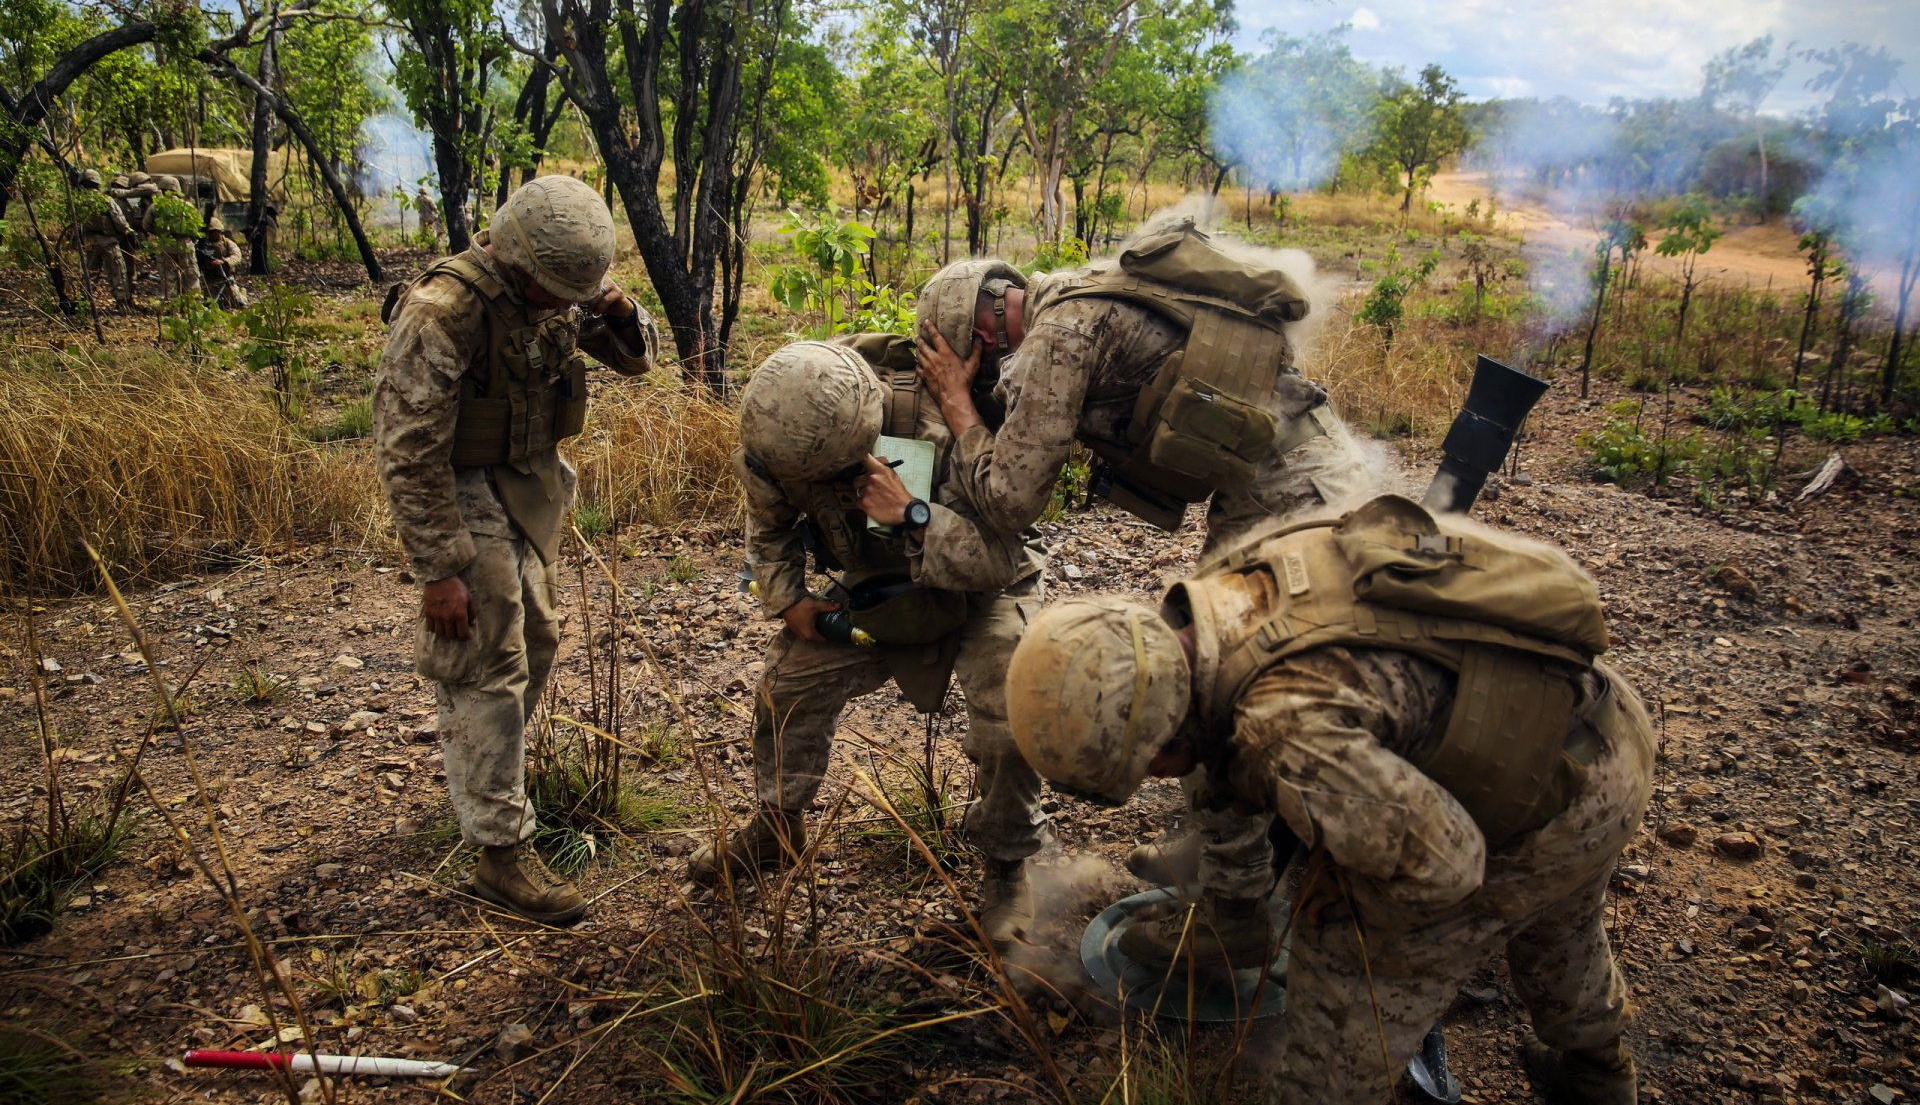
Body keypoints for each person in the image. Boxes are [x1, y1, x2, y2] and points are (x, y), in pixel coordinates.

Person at [1003, 494, 1653, 1105]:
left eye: (1147, 766)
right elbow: (1218, 763)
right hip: (1594, 727)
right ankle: (1597, 1071)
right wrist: (1233, 905)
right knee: (1557, 934)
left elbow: (1447, 867)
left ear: (1162, 733)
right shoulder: (1213, 607)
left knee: (1345, 964)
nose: (1156, 778)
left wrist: (1340, 896)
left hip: (1540, 810)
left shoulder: (1286, 732)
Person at [913, 219, 1376, 969]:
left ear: (980, 334)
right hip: (1306, 475)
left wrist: (960, 406)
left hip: (1290, 499)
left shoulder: (1056, 338)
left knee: (1204, 683)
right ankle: (1219, 854)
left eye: (961, 354)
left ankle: (1235, 910)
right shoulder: (1087, 288)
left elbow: (1008, 501)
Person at [691, 337, 1048, 952]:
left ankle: (1007, 867)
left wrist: (912, 512)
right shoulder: (780, 437)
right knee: (787, 683)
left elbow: (999, 556)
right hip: (881, 587)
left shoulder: (937, 426)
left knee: (1009, 710)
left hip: (981, 591)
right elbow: (769, 526)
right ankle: (779, 824)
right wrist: (788, 598)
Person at [373, 175, 659, 925]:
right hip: (460, 483)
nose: (564, 306)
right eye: (553, 291)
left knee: (537, 637)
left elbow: (635, 362)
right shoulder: (443, 312)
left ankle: (484, 776)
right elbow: (407, 451)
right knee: (490, 652)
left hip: (530, 480)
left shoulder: (560, 282)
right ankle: (500, 851)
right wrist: (439, 569)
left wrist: (617, 309)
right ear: (512, 256)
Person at [74, 169, 135, 312]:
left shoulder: (78, 202)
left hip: (89, 241)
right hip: (109, 241)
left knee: (90, 273)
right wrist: (128, 231)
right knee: (117, 272)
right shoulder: (106, 200)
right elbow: (119, 220)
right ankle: (122, 305)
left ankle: (84, 305)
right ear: (97, 183)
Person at [143, 175, 203, 301]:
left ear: (162, 189)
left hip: (165, 244)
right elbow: (197, 227)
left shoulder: (155, 207)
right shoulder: (188, 206)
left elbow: (146, 226)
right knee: (191, 276)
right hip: (185, 244)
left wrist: (160, 233)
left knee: (168, 277)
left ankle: (171, 307)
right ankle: (194, 305)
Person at [196, 220, 249, 310]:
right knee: (211, 304)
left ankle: (241, 293)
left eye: (215, 232)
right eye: (211, 232)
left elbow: (237, 256)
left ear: (221, 232)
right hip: (209, 280)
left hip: (225, 278)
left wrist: (224, 262)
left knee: (239, 303)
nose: (213, 235)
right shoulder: (203, 245)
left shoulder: (228, 243)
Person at [416, 186, 441, 253]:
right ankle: (432, 244)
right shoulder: (429, 199)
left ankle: (423, 245)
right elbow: (434, 208)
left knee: (423, 231)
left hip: (422, 218)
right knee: (431, 231)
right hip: (429, 218)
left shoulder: (418, 199)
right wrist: (438, 213)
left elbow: (417, 207)